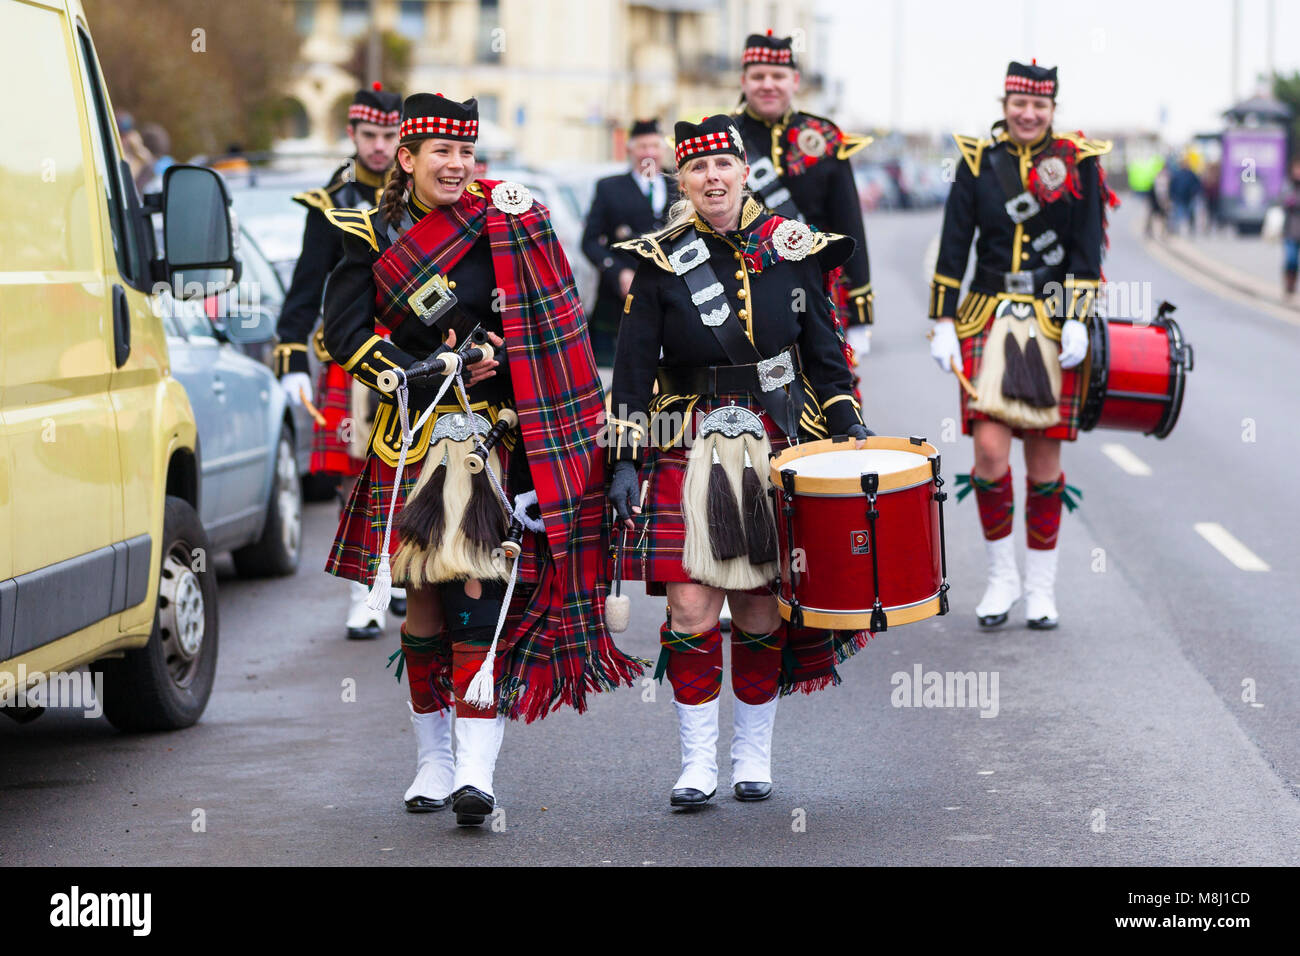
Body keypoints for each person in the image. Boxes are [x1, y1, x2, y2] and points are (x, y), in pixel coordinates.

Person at [321, 92, 643, 826]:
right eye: (442, 153)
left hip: (497, 440)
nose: (457, 165)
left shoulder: (509, 220)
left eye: (466, 153)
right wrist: (431, 368)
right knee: (424, 609)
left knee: (478, 599)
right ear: (407, 158)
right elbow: (342, 337)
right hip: (410, 440)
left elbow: (551, 336)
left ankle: (474, 768)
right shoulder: (365, 233)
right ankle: (432, 760)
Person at [606, 115, 872, 810]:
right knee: (691, 605)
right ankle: (696, 763)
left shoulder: (791, 247)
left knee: (758, 607)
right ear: (680, 180)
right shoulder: (662, 260)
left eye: (723, 164)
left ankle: (752, 751)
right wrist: (626, 459)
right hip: (688, 437)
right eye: (696, 169)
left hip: (778, 436)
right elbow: (634, 370)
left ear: (746, 170)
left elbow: (825, 355)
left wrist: (848, 426)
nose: (712, 178)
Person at [927, 60, 1117, 631]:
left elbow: (1087, 250)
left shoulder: (1079, 162)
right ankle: (1000, 577)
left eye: (1039, 106)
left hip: (1053, 322)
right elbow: (954, 242)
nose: (1028, 114)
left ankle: (1040, 586)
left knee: (1043, 460)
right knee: (988, 452)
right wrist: (941, 320)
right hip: (986, 315)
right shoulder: (978, 161)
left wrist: (1078, 318)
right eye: (1019, 104)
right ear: (1005, 103)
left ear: (1052, 108)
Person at [273, 83, 402, 640]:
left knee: (416, 474)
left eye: (390, 135)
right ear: (352, 134)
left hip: (418, 357)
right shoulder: (331, 200)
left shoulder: (427, 188)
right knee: (354, 480)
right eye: (369, 135)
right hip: (351, 360)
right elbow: (306, 287)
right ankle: (366, 591)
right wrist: (291, 354)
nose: (378, 146)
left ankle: (403, 575)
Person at [732, 31, 874, 367]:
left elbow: (849, 224)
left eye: (778, 76)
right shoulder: (722, 136)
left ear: (794, 81)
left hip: (817, 291)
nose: (768, 84)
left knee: (832, 402)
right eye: (758, 76)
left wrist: (861, 314)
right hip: (740, 292)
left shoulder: (824, 137)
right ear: (743, 80)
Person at [581, 118, 676, 365]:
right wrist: (618, 271)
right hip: (618, 301)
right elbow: (589, 241)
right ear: (631, 149)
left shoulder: (680, 186)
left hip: (672, 295)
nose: (649, 153)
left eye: (655, 146)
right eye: (643, 146)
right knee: (615, 373)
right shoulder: (609, 188)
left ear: (663, 149)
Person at [1281, 157, 1300, 298]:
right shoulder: (1288, 185)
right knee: (1291, 259)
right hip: (1290, 230)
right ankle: (1289, 284)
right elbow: (1284, 200)